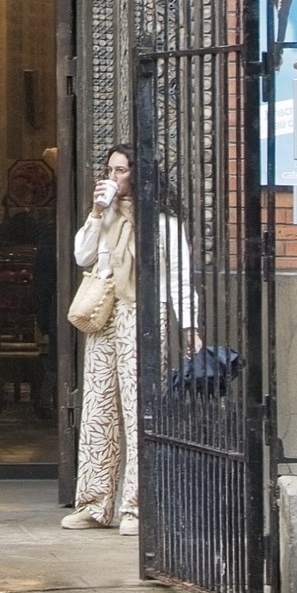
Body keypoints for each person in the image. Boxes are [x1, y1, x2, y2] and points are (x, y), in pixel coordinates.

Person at [61, 145, 200, 532]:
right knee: (98, 405)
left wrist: (189, 327)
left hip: (143, 315)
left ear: (139, 175)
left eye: (120, 170)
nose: (113, 177)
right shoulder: (105, 218)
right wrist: (94, 213)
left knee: (140, 408)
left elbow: (180, 278)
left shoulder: (163, 223)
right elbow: (81, 256)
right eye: (109, 170)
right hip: (105, 314)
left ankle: (137, 506)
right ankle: (94, 502)